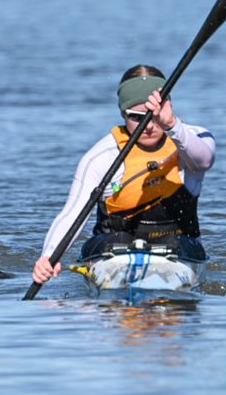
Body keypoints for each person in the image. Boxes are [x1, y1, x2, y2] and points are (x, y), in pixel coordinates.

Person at [31, 65, 216, 285]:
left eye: (153, 117)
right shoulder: (101, 157)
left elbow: (204, 160)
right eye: (137, 117)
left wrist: (171, 125)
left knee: (180, 243)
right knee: (110, 241)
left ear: (166, 108)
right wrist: (50, 255)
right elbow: (72, 213)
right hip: (112, 250)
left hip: (180, 249)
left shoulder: (190, 138)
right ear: (123, 114)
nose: (147, 125)